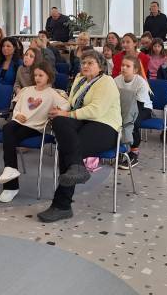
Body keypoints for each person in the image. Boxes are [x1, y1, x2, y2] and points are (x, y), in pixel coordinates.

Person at [37, 50, 121, 222]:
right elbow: (71, 103)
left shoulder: (106, 82)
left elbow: (96, 110)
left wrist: (67, 114)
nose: (85, 66)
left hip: (105, 126)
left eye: (90, 63)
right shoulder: (80, 79)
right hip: (83, 122)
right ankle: (76, 169)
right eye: (83, 63)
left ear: (100, 66)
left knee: (68, 149)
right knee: (59, 122)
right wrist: (61, 111)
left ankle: (62, 206)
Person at [0, 61, 69, 203]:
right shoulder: (27, 90)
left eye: (41, 75)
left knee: (9, 137)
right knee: (7, 128)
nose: (37, 78)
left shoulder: (52, 93)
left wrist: (57, 110)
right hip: (20, 122)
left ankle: (10, 184)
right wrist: (18, 115)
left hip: (35, 128)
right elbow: (17, 107)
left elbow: (66, 105)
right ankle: (10, 173)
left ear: (48, 76)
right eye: (35, 75)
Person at [114, 55, 152, 169]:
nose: (124, 68)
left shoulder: (140, 82)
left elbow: (139, 105)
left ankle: (134, 152)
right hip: (124, 107)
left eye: (128, 66)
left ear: (135, 70)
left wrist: (126, 115)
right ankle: (120, 148)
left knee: (132, 121)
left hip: (143, 108)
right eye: (122, 65)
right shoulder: (116, 80)